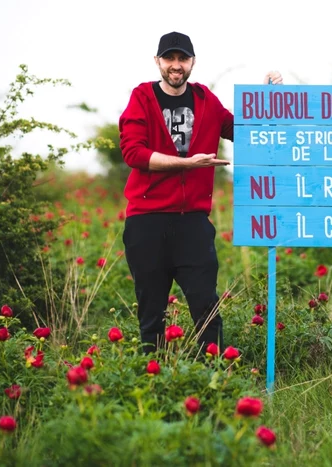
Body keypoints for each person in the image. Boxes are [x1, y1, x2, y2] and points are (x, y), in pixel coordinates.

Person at [119, 31, 282, 353]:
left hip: (192, 221)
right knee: (151, 312)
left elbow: (244, 131)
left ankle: (215, 377)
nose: (176, 66)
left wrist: (267, 97)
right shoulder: (142, 97)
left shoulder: (206, 100)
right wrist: (187, 164)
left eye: (182, 59)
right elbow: (133, 153)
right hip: (147, 220)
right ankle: (153, 377)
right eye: (169, 59)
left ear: (192, 62)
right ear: (158, 62)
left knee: (206, 306)